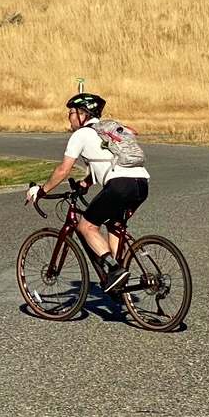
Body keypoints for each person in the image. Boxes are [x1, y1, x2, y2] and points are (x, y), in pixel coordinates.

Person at [24, 91, 150, 294]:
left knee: (87, 226)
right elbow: (108, 158)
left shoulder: (81, 134)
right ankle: (120, 282)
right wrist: (88, 182)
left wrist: (41, 190)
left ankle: (115, 270)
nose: (69, 119)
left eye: (71, 113)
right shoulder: (108, 130)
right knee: (114, 225)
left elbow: (63, 170)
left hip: (119, 185)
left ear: (82, 113)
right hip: (141, 183)